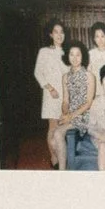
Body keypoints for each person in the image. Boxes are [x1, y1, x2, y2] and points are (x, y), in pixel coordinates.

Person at [34, 20, 69, 166]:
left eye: (61, 32)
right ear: (51, 34)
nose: (59, 35)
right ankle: (53, 158)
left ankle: (62, 157)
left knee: (62, 128)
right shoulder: (44, 52)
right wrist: (50, 88)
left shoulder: (68, 52)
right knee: (53, 127)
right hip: (51, 95)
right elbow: (38, 73)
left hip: (65, 96)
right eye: (56, 32)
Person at [57, 40, 96, 169]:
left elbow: (89, 103)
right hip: (71, 115)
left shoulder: (89, 76)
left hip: (85, 115)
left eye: (78, 54)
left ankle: (62, 171)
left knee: (57, 134)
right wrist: (65, 113)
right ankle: (67, 166)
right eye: (71, 54)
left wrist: (71, 116)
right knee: (53, 140)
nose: (74, 58)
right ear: (67, 56)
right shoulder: (65, 77)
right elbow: (65, 101)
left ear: (82, 56)